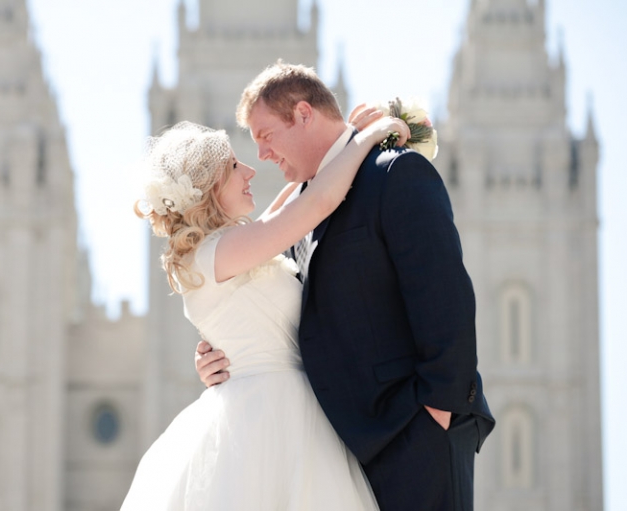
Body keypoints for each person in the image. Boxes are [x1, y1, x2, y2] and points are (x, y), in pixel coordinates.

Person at [195, 61, 496, 511]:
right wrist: (219, 348)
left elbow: (446, 297)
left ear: (303, 113)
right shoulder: (297, 212)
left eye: (265, 135)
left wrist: (440, 410)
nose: (261, 154)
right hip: (338, 452)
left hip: (414, 433)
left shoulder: (395, 173)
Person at [121, 110, 409, 510]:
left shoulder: (227, 246)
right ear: (208, 187)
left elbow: (287, 204)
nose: (251, 170)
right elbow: (318, 200)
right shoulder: (219, 253)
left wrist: (342, 137)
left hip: (285, 407)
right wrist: (368, 137)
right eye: (235, 165)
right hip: (271, 419)